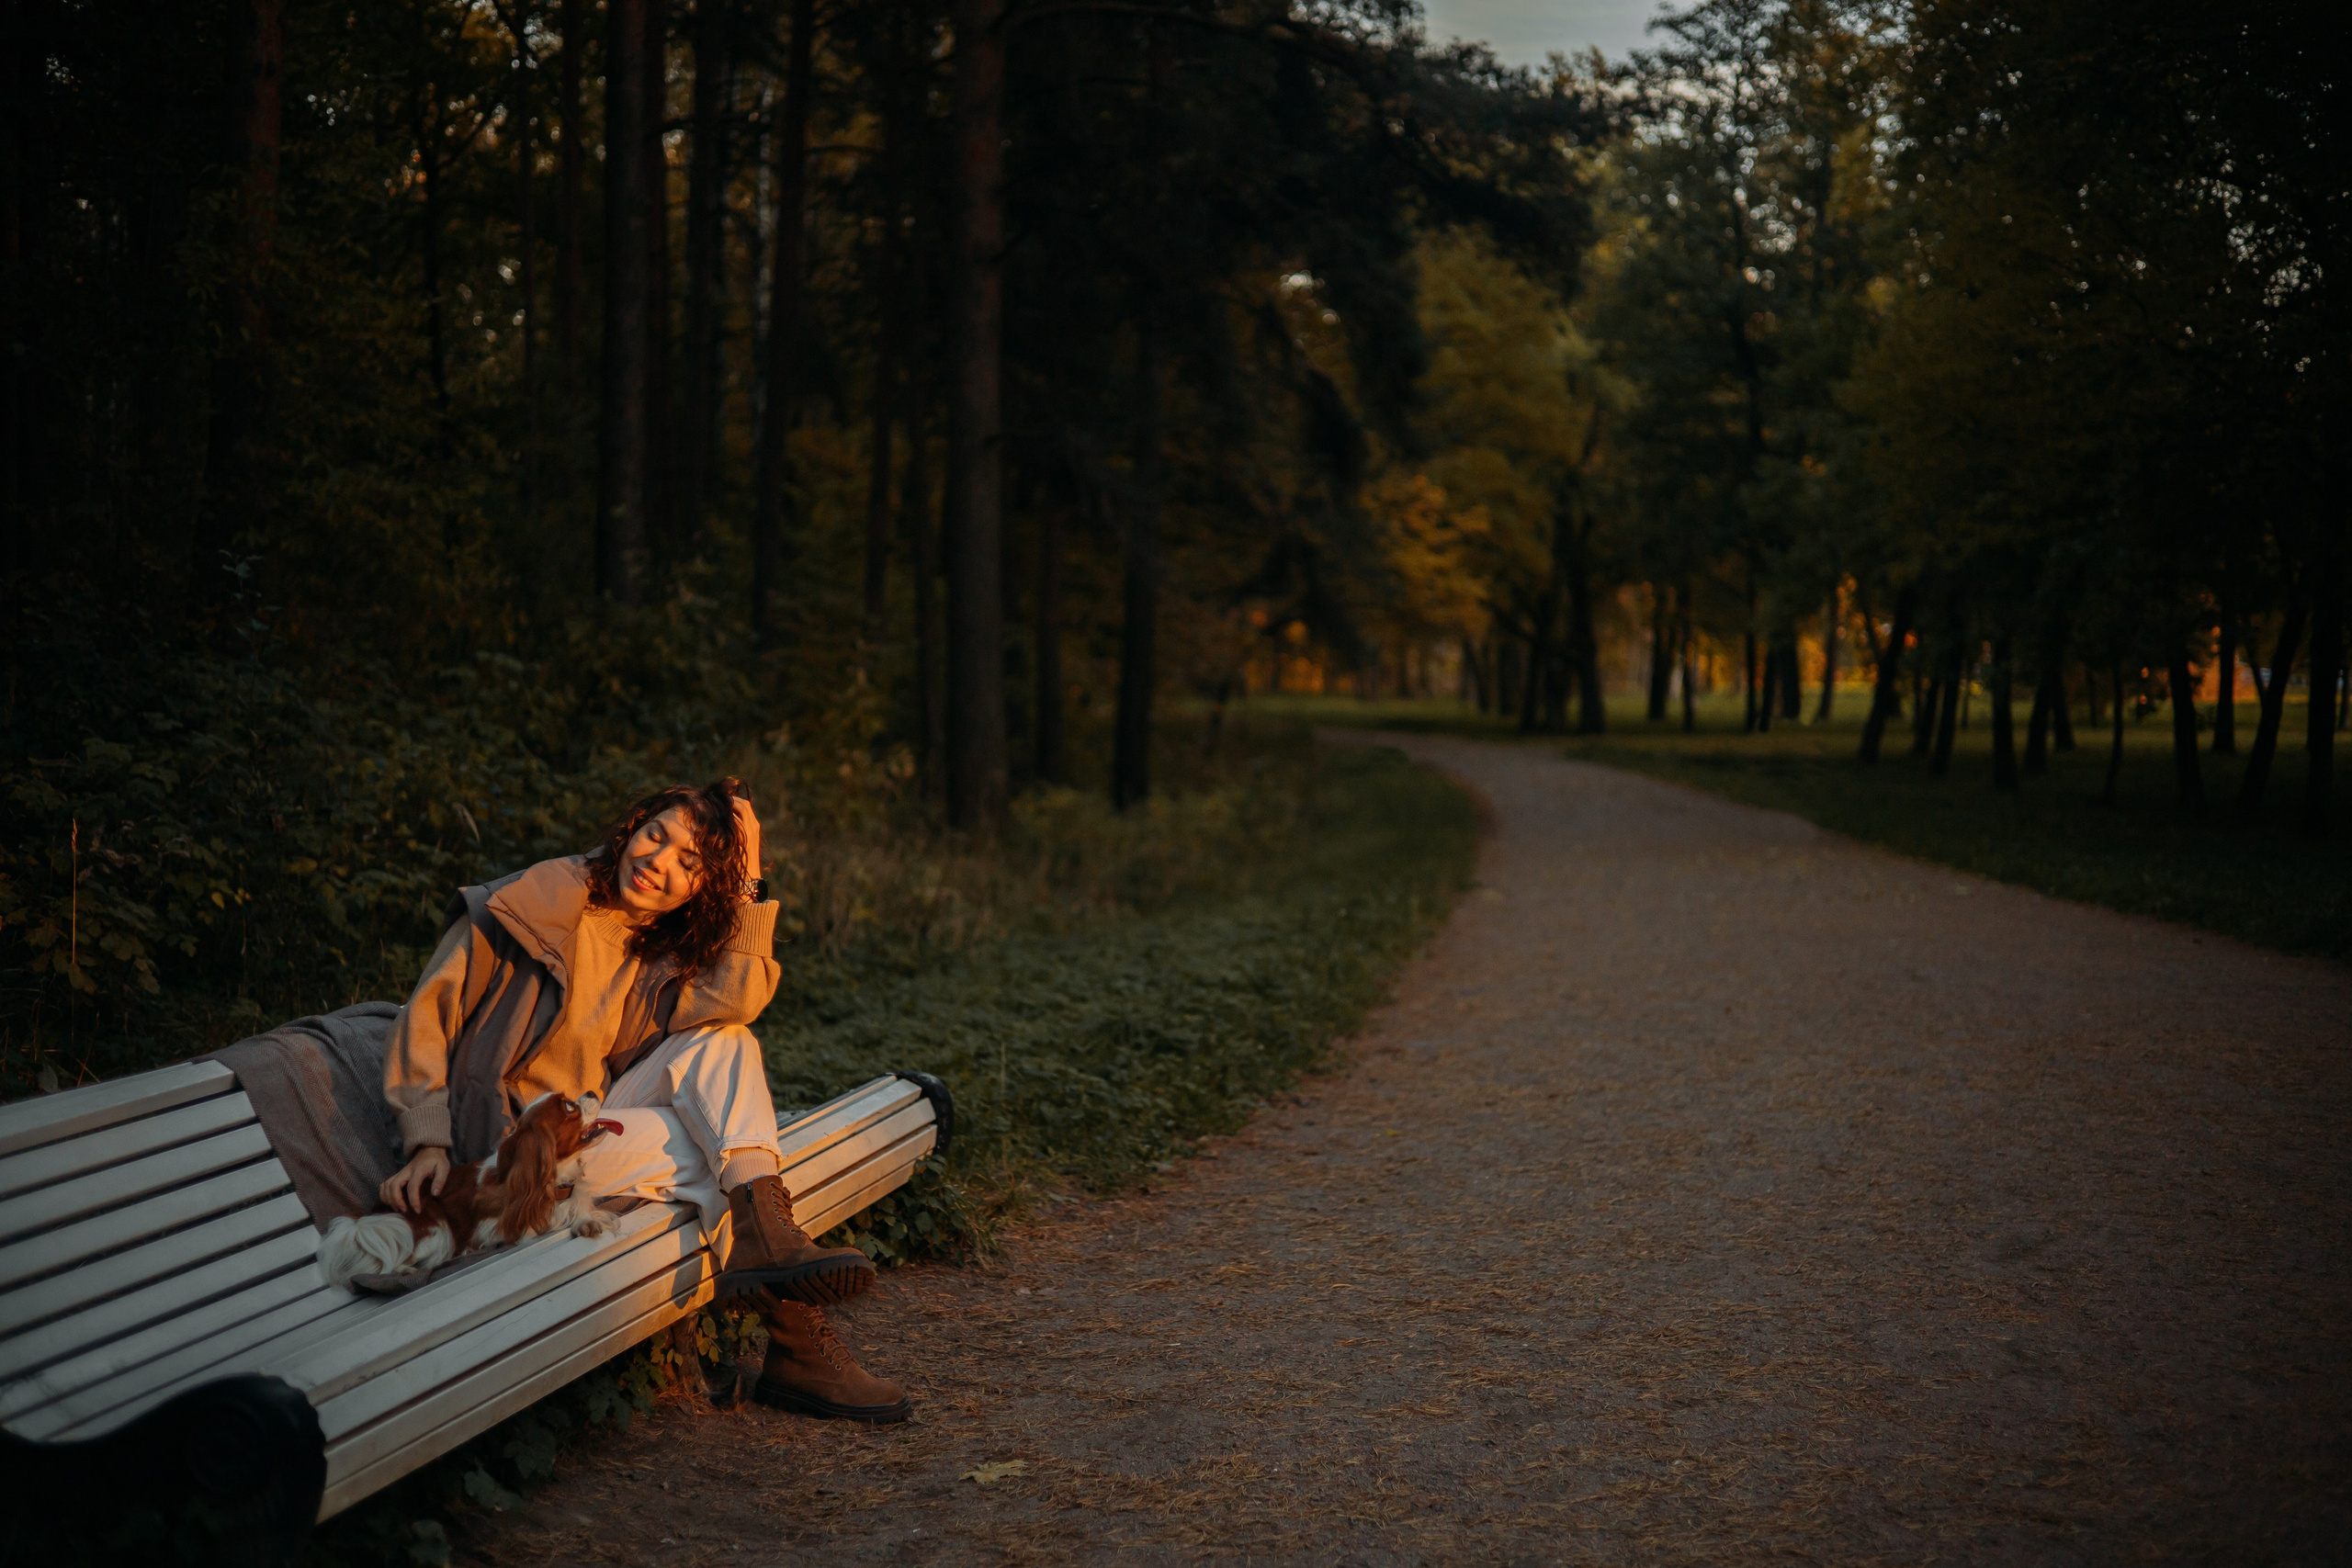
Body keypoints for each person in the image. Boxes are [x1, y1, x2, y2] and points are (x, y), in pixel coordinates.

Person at [375, 777, 911, 1422]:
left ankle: (767, 1243)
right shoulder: (533, 903)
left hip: (590, 1128)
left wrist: (750, 876)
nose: (659, 864)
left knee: (726, 1041)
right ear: (632, 826)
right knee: (725, 1157)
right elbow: (426, 1017)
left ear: (702, 887)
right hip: (518, 1149)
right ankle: (792, 1324)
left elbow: (739, 999)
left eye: (690, 864)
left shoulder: (653, 942)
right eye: (656, 836)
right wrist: (426, 1138)